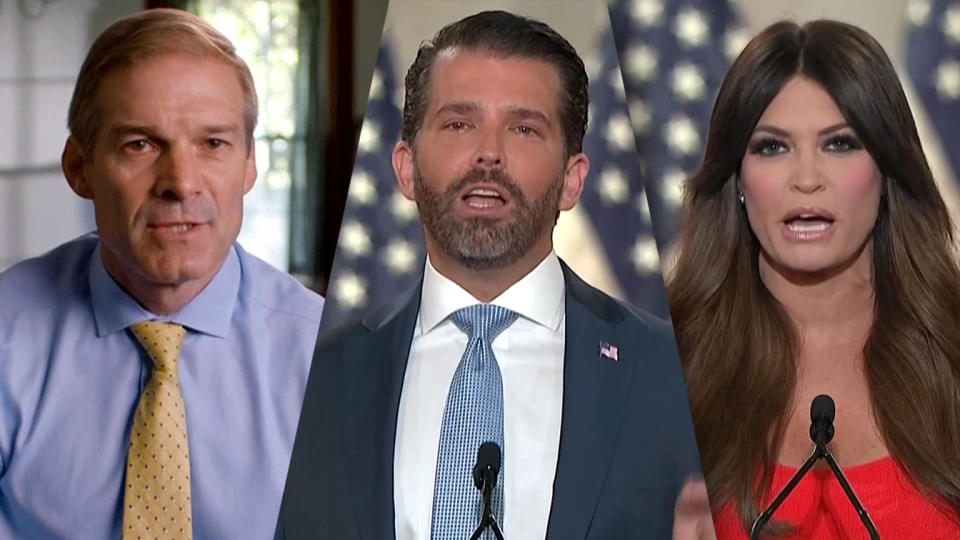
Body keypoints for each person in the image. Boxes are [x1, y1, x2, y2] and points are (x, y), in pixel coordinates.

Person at [276, 10, 701, 540]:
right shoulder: (313, 380)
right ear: (405, 168)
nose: (489, 154)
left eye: (523, 128)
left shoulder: (671, 372)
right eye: (459, 124)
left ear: (573, 180)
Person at [0, 9, 324, 539]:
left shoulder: (324, 358)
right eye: (141, 145)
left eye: (213, 144)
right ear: (79, 168)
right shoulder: (7, 337)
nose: (180, 183)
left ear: (248, 166)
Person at [667, 19, 960, 539]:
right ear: (736, 179)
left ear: (888, 172)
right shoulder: (665, 359)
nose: (806, 178)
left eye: (840, 144)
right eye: (772, 147)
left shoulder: (951, 345)